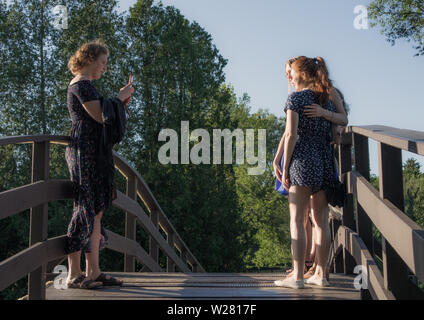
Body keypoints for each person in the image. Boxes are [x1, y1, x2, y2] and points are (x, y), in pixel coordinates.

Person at [65, 39, 134, 289]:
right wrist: (118, 98)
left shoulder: (88, 86)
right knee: (85, 209)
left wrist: (119, 104)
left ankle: (93, 271)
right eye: (103, 62)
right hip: (85, 153)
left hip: (94, 153)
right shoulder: (81, 85)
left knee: (95, 211)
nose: (105, 67)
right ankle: (74, 274)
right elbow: (99, 115)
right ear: (90, 59)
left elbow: (103, 117)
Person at [274, 57, 349, 280]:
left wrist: (285, 167)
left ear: (301, 74)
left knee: (297, 220)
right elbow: (342, 119)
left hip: (302, 163)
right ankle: (321, 275)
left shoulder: (295, 99)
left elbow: (291, 134)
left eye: (291, 73)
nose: (289, 77)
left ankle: (297, 277)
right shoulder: (325, 97)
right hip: (325, 160)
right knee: (320, 220)